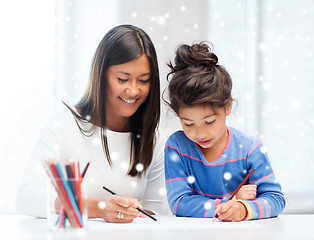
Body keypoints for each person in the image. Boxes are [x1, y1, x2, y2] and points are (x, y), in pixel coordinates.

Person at [16, 24, 167, 223]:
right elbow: (26, 198)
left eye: (144, 80)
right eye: (122, 79)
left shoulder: (154, 137)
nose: (133, 91)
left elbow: (156, 212)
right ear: (101, 76)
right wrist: (97, 207)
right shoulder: (64, 124)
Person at [163, 42, 286, 221]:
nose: (201, 133)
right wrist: (228, 202)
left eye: (210, 121)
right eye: (188, 124)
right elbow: (179, 203)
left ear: (228, 107)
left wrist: (243, 209)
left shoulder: (250, 149)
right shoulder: (177, 147)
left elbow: (276, 199)